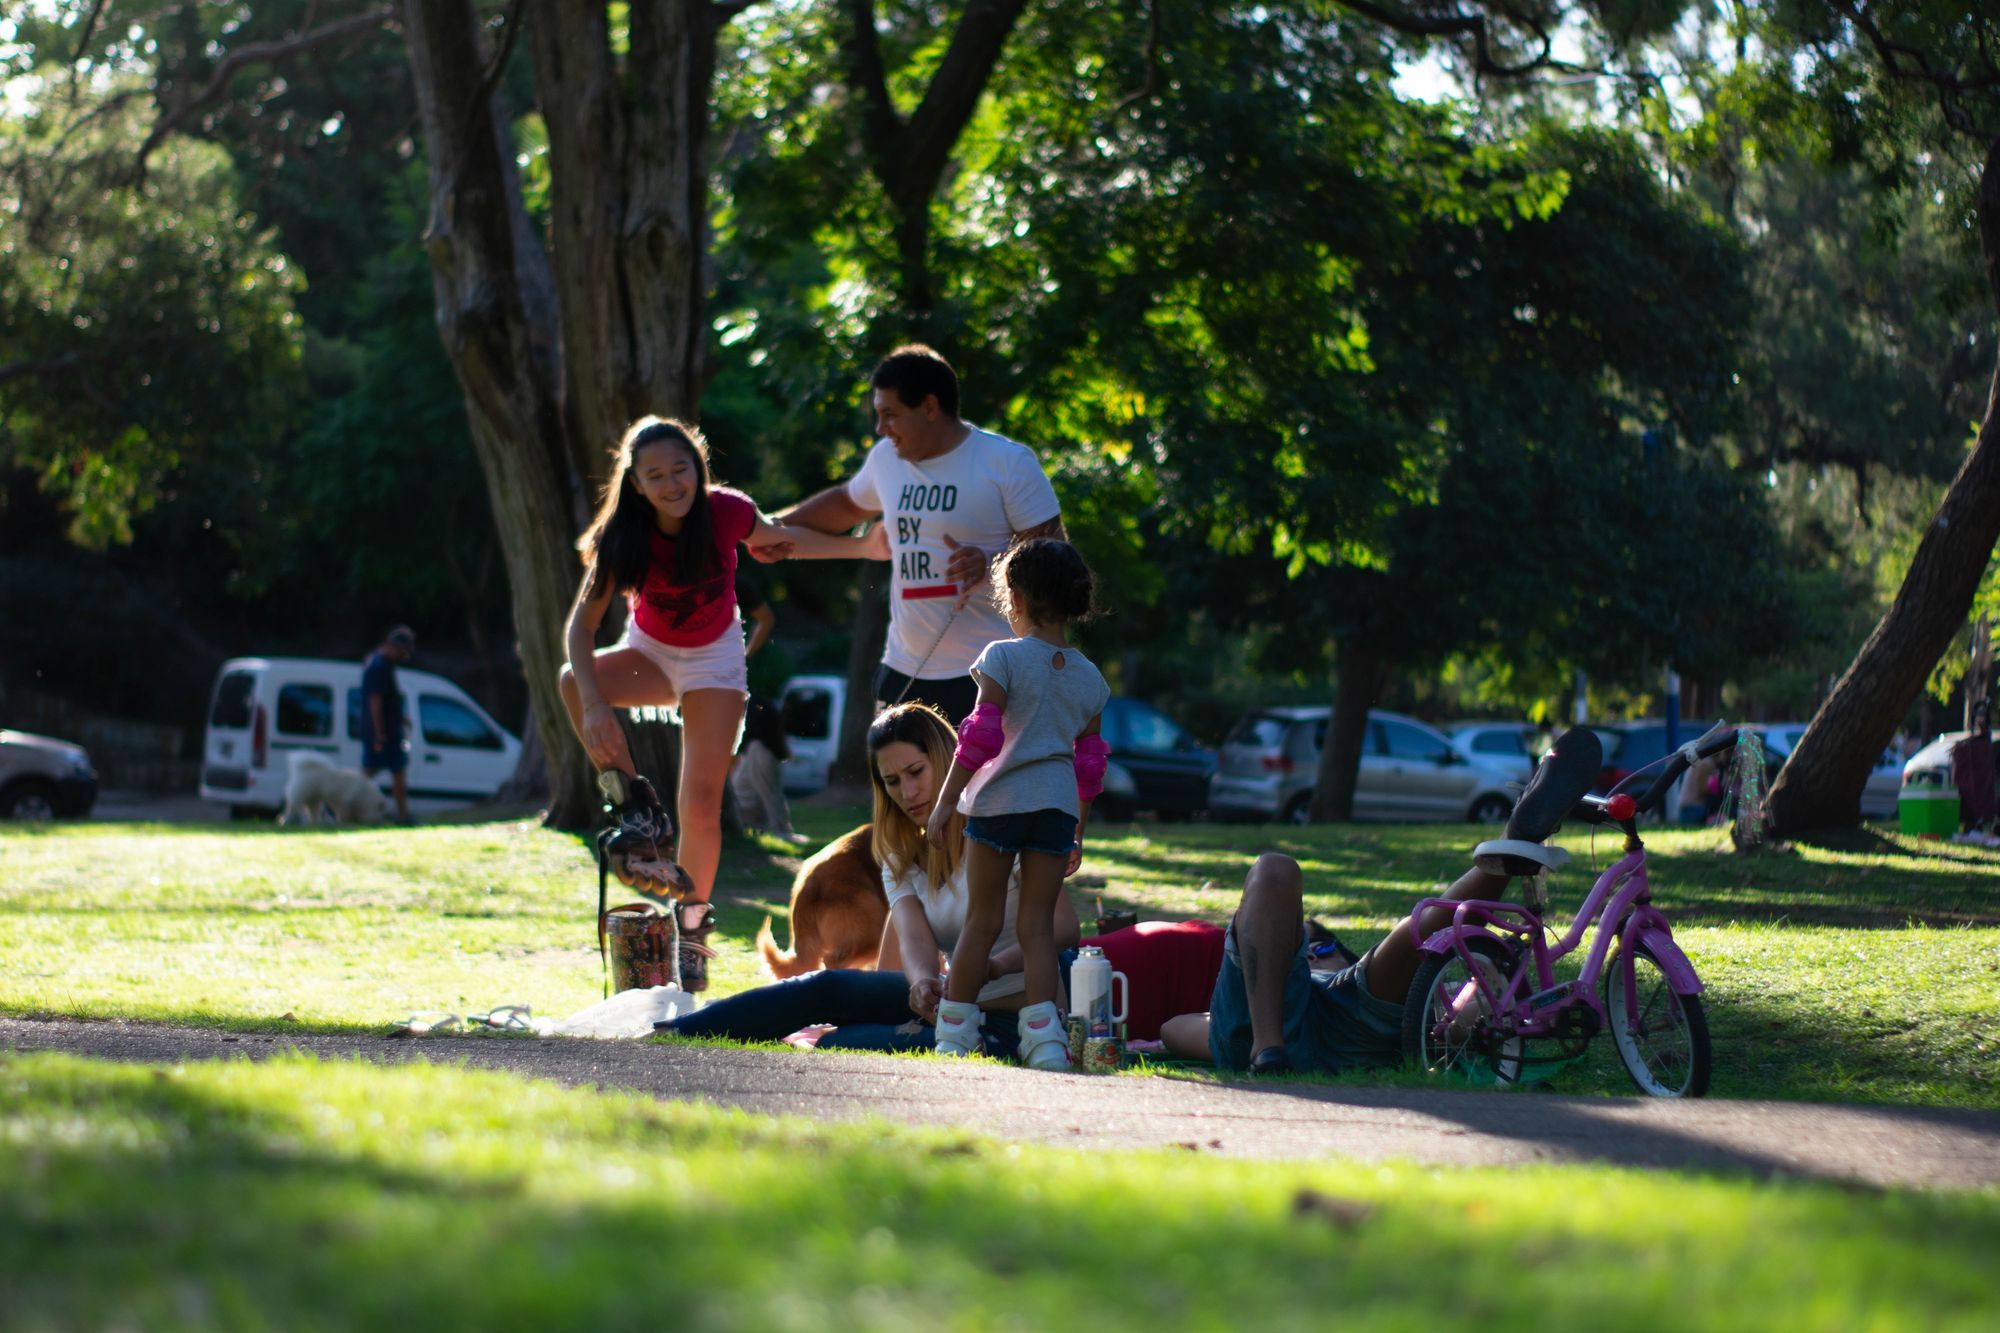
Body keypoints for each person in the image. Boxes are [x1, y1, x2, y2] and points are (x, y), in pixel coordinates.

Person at [559, 416, 873, 990]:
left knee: (701, 804)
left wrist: (863, 547)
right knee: (570, 681)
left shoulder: (725, 510)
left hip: (714, 663)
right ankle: (635, 810)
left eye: (681, 469)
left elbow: (782, 536)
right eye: (656, 475)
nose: (672, 483)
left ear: (697, 468)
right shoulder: (623, 538)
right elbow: (580, 631)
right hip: (650, 652)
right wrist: (596, 708)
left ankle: (694, 931)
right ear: (636, 484)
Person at [1163, 727, 1600, 1075]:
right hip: (1300, 1025)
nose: (1311, 945)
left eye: (1319, 945)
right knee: (1275, 869)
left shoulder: (1336, 975)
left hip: (1341, 1016)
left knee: (1415, 936)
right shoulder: (1287, 971)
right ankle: (1269, 1048)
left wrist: (1478, 993)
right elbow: (1173, 1030)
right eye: (1311, 943)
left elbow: (1172, 1030)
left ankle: (1514, 844)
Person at [658, 703, 1082, 1055]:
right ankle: (670, 1035)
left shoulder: (1000, 823)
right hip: (955, 1004)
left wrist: (988, 968)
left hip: (1024, 1008)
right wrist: (919, 984)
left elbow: (1063, 926)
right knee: (825, 988)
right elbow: (913, 935)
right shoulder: (900, 850)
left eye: (916, 772)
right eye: (892, 781)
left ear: (945, 760)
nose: (907, 792)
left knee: (840, 1042)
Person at [753, 344, 1064, 724]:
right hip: (904, 671)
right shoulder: (886, 459)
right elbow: (847, 505)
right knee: (895, 784)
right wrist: (770, 528)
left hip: (991, 676)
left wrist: (992, 564)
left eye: (890, 415)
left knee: (981, 788)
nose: (881, 429)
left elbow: (1056, 558)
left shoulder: (1007, 463)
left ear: (930, 408)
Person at [926, 539, 1108, 1070]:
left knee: (981, 922)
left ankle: (955, 1036)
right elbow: (1090, 765)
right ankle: (1046, 1042)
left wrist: (944, 803)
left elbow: (980, 737)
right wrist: (1080, 831)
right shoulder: (1090, 679)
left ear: (1017, 597)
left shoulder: (1001, 658)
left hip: (1000, 803)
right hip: (1055, 810)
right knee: (1035, 928)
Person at [360, 626, 416, 824]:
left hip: (384, 729)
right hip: (384, 732)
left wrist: (400, 718)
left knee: (372, 771)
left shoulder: (376, 661)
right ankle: (402, 815)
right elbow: (375, 701)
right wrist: (379, 734)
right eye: (403, 651)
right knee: (384, 770)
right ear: (393, 647)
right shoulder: (380, 667)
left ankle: (402, 813)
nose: (403, 656)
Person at [731, 693, 793, 836]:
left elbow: (769, 792)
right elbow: (772, 793)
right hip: (746, 813)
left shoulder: (758, 749)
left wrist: (782, 831)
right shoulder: (759, 748)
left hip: (747, 814)